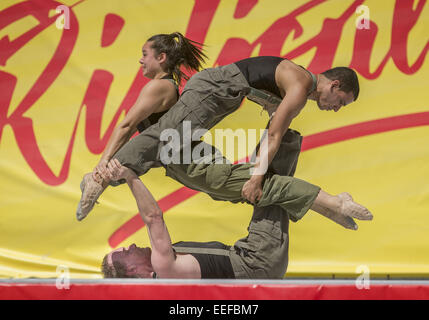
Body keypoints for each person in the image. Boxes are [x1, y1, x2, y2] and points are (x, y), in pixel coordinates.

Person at [77, 55, 360, 221]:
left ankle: (327, 206)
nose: (336, 108)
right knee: (169, 135)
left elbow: (274, 125)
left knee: (175, 146)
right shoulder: (301, 85)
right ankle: (98, 178)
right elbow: (274, 135)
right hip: (217, 88)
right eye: (341, 102)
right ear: (334, 84)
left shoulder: (299, 86)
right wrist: (256, 178)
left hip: (222, 95)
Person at [100, 157, 372, 279]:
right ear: (135, 272)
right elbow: (153, 217)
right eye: (125, 252)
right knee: (265, 177)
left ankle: (331, 208)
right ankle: (334, 206)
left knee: (269, 179)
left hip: (255, 262)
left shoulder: (165, 277)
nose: (131, 245)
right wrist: (129, 176)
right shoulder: (162, 268)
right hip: (256, 261)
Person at [76, 32, 207, 220]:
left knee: (115, 167)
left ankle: (95, 180)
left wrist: (102, 163)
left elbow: (127, 126)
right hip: (184, 165)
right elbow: (129, 131)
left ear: (161, 57)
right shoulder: (165, 86)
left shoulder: (160, 87)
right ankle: (96, 181)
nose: (140, 60)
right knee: (117, 168)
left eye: (145, 54)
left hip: (194, 164)